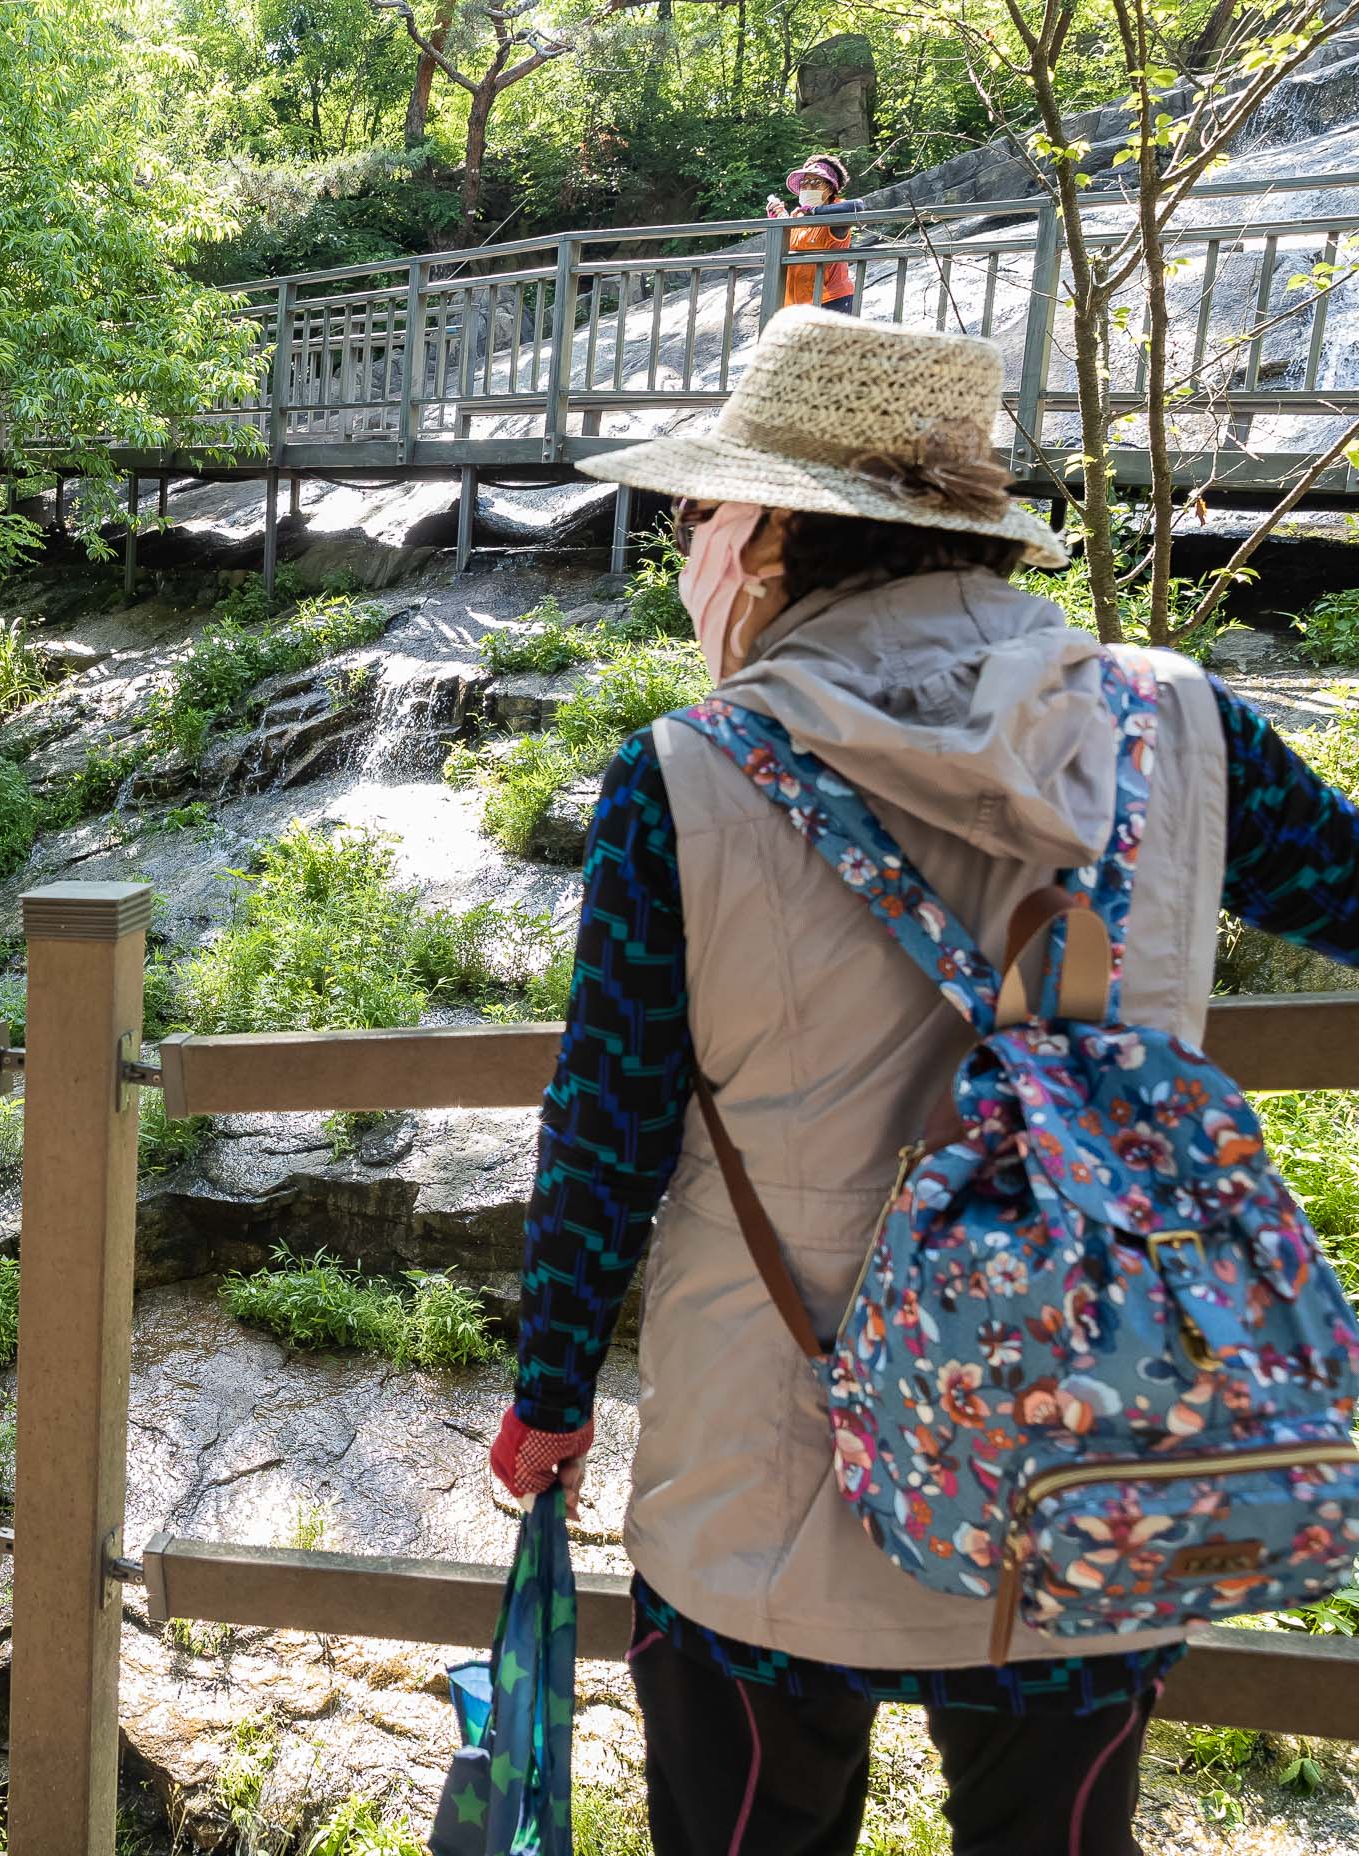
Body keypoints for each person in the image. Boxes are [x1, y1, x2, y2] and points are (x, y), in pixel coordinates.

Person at [486, 308, 1359, 1854]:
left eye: (703, 510)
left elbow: (608, 1128)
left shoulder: (683, 777)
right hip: (1096, 1442)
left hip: (768, 1451)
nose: (695, 539)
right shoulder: (1189, 730)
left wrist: (550, 1398)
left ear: (766, 534)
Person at [765, 154, 866, 316]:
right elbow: (780, 253)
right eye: (805, 182)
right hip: (796, 305)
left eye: (815, 182)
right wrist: (777, 221)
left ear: (830, 188)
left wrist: (813, 211)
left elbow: (857, 206)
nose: (807, 187)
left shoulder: (835, 214)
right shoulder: (796, 217)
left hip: (831, 301)